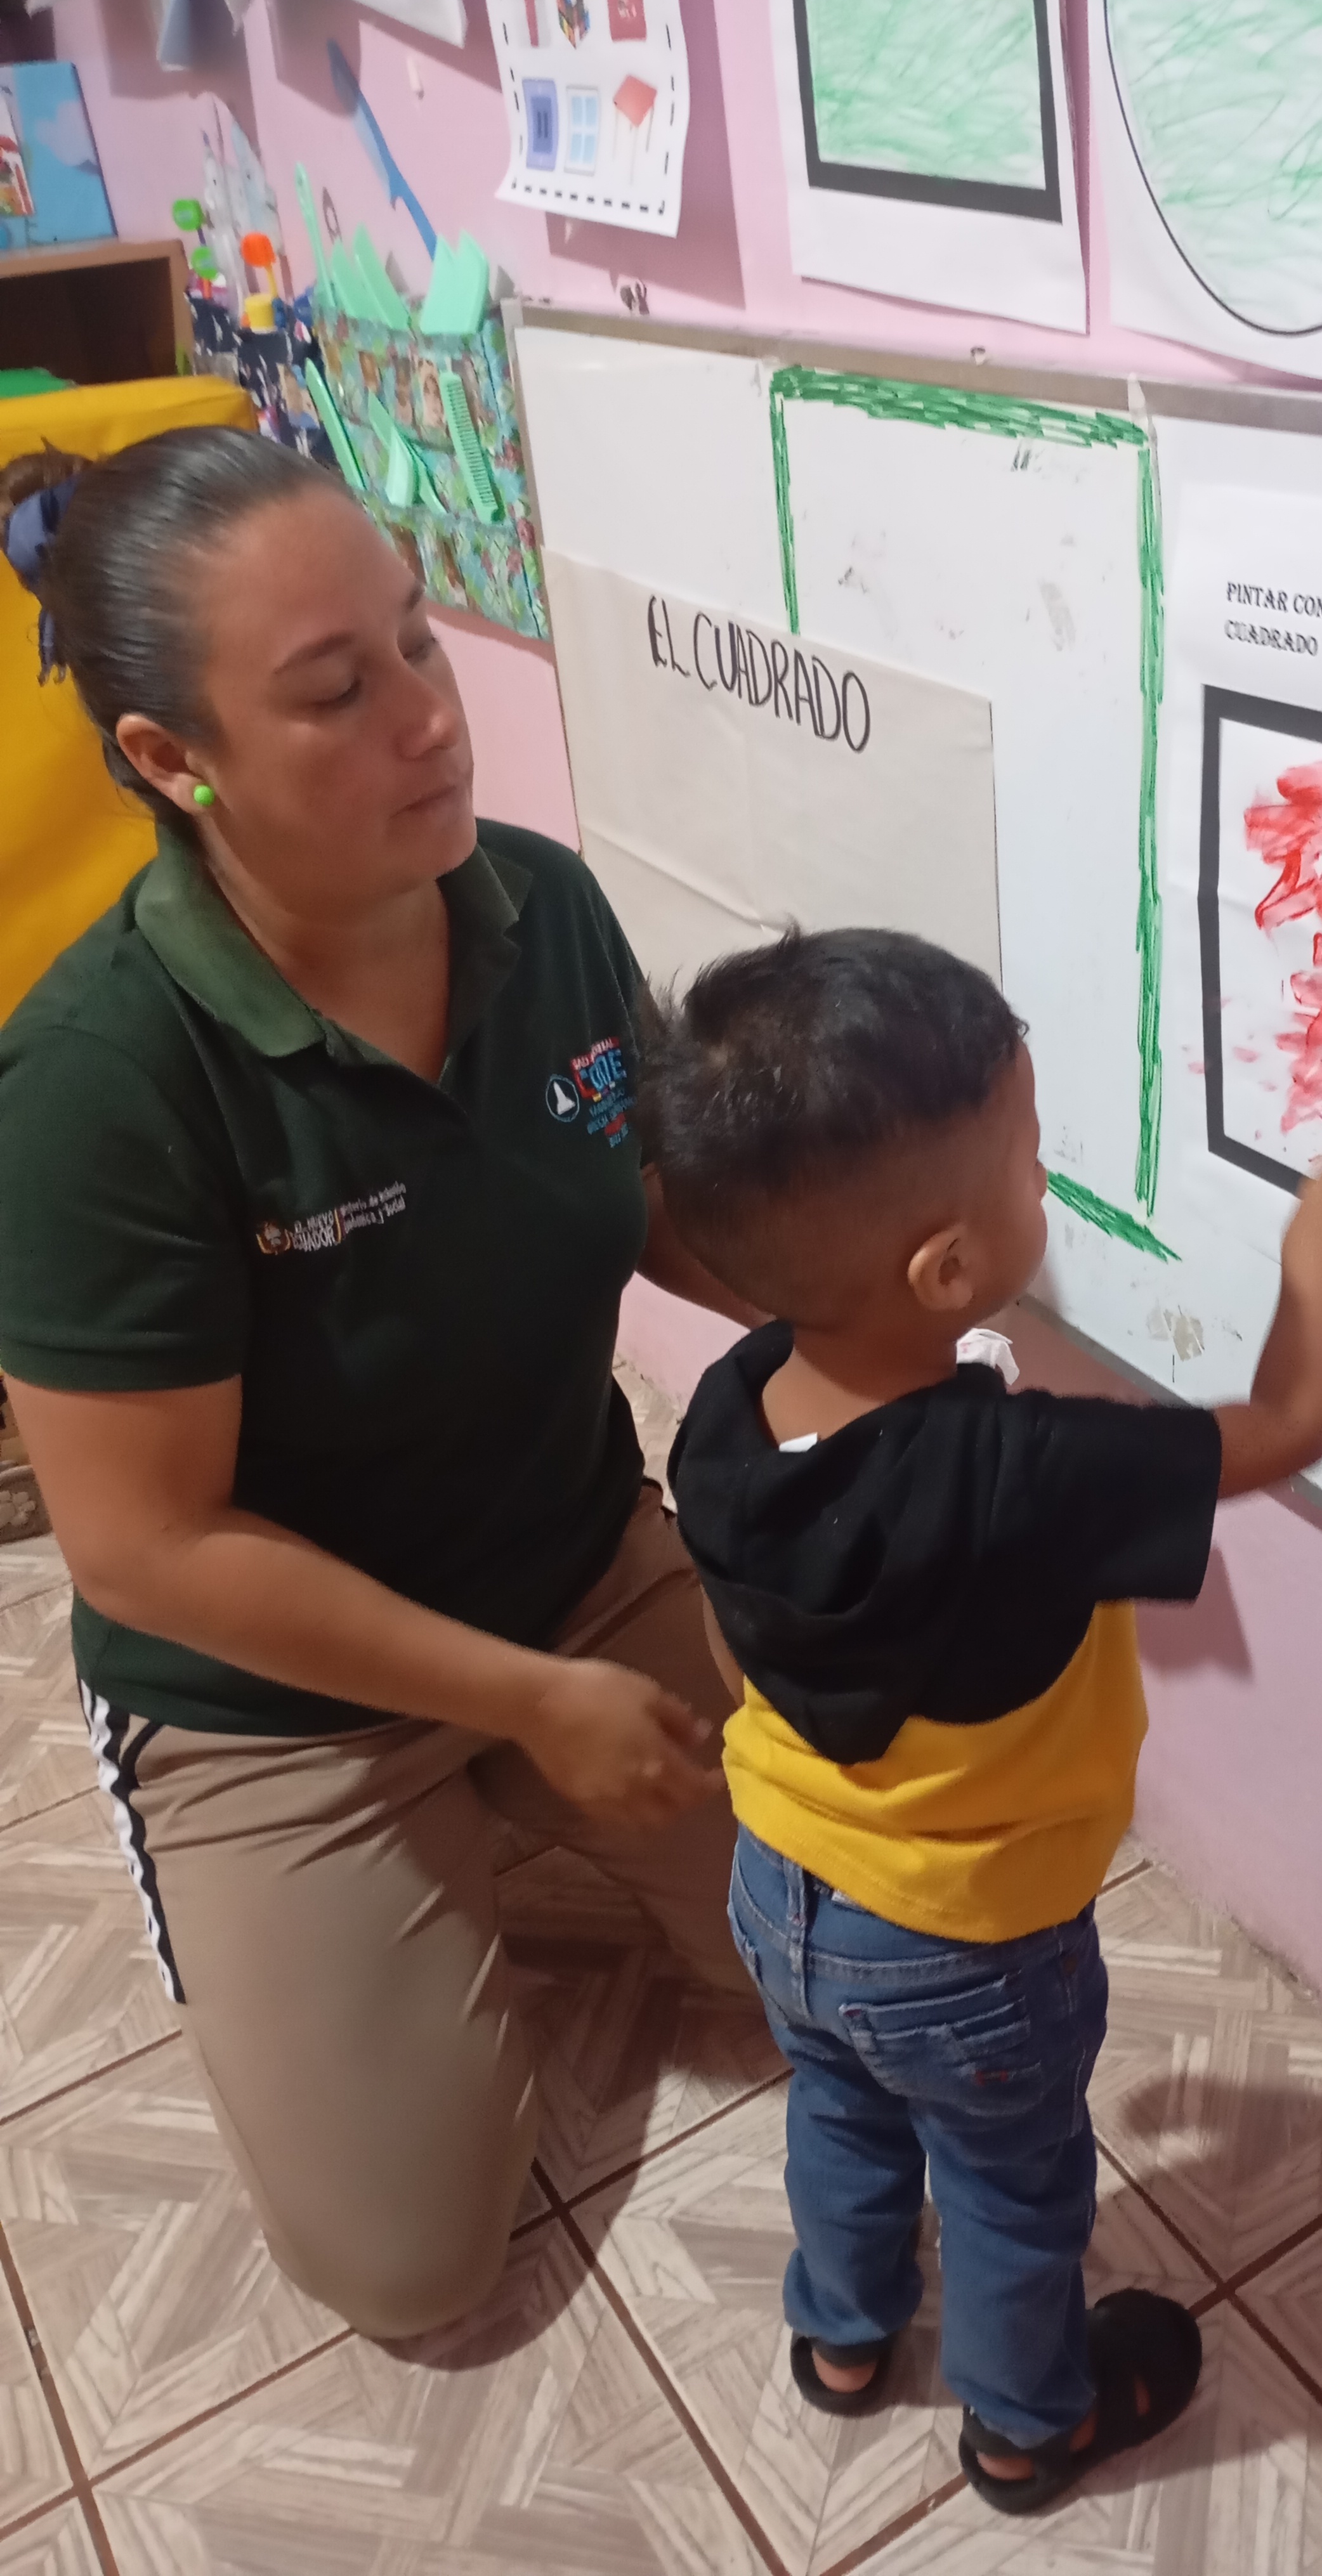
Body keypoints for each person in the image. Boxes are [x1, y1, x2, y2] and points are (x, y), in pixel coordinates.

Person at [0, 428, 757, 2340]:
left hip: (567, 1560)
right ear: (170, 759)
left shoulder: (543, 907)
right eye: (336, 691)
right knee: (414, 2268)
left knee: (839, 1955)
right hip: (272, 1706)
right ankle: (370, 1819)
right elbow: (147, 1548)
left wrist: (874, 1319)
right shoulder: (94, 1083)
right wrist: (524, 1700)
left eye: (418, 640)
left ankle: (507, 1769)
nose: (430, 717)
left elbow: (646, 1202)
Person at [646, 928, 1322, 2513]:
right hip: (970, 1948)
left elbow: (734, 1643)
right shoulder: (1025, 1471)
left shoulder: (726, 1414)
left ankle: (843, 2336)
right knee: (1010, 2189)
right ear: (946, 1269)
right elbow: (1291, 1422)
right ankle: (1025, 2425)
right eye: (1031, 1161)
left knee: (843, 2113)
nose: (1047, 1180)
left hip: (781, 1888)